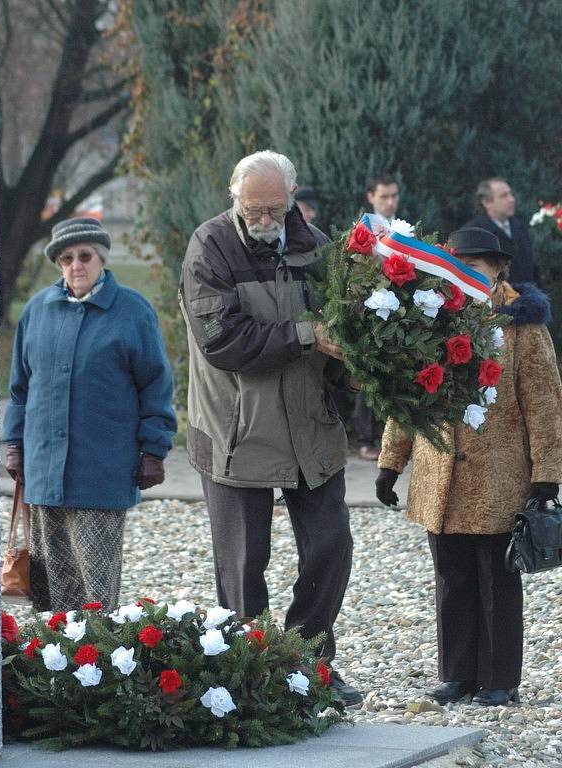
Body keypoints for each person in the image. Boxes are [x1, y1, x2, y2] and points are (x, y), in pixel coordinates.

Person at [180, 150, 362, 706]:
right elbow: (222, 341)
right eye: (251, 208)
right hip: (236, 432)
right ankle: (251, 675)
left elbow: (345, 327)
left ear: (292, 199)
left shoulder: (319, 249)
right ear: (234, 198)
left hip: (311, 429)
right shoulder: (209, 246)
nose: (262, 218)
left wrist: (353, 368)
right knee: (242, 565)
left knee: (332, 547)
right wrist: (308, 335)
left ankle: (309, 664)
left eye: (273, 209)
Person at [376, 227, 562, 706]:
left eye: (476, 266)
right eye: (458, 264)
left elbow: (545, 402)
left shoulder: (523, 326)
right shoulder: (430, 318)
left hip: (499, 477)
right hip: (439, 477)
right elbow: (408, 395)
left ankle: (499, 679)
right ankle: (457, 675)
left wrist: (547, 474)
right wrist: (390, 464)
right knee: (451, 578)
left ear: (500, 268)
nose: (465, 274)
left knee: (497, 579)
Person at [3, 218, 177, 613]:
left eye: (85, 256)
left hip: (102, 469)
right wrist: (14, 445)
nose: (76, 265)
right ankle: (54, 661)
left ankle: (97, 662)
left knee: (96, 585)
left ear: (101, 259)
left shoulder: (132, 312)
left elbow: (155, 385)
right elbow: (20, 389)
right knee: (49, 584)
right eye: (66, 258)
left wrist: (154, 451)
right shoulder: (38, 311)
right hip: (44, 469)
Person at [355, 173, 401, 459]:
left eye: (394, 195)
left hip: (399, 307)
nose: (390, 201)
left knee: (396, 374)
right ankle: (365, 438)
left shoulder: (403, 228)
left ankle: (395, 441)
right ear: (371, 197)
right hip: (369, 306)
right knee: (366, 376)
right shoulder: (365, 228)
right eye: (384, 196)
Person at [464, 177, 540, 284]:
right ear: (486, 202)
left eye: (511, 194)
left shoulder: (520, 228)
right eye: (504, 196)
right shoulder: (473, 233)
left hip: (528, 298)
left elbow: (533, 269)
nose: (512, 199)